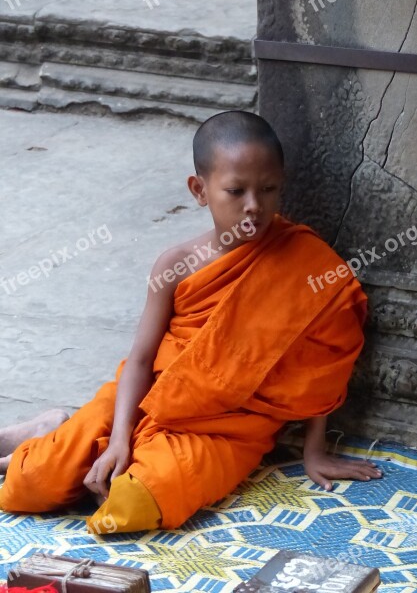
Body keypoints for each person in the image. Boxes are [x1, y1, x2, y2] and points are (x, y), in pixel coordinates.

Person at [0, 111, 382, 533]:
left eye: (269, 189)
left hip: (229, 430)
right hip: (146, 398)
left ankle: (61, 436)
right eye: (236, 191)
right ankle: (51, 431)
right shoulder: (177, 265)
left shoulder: (307, 265)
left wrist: (314, 450)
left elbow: (318, 370)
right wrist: (122, 439)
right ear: (199, 190)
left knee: (132, 503)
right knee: (30, 486)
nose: (254, 205)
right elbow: (141, 359)